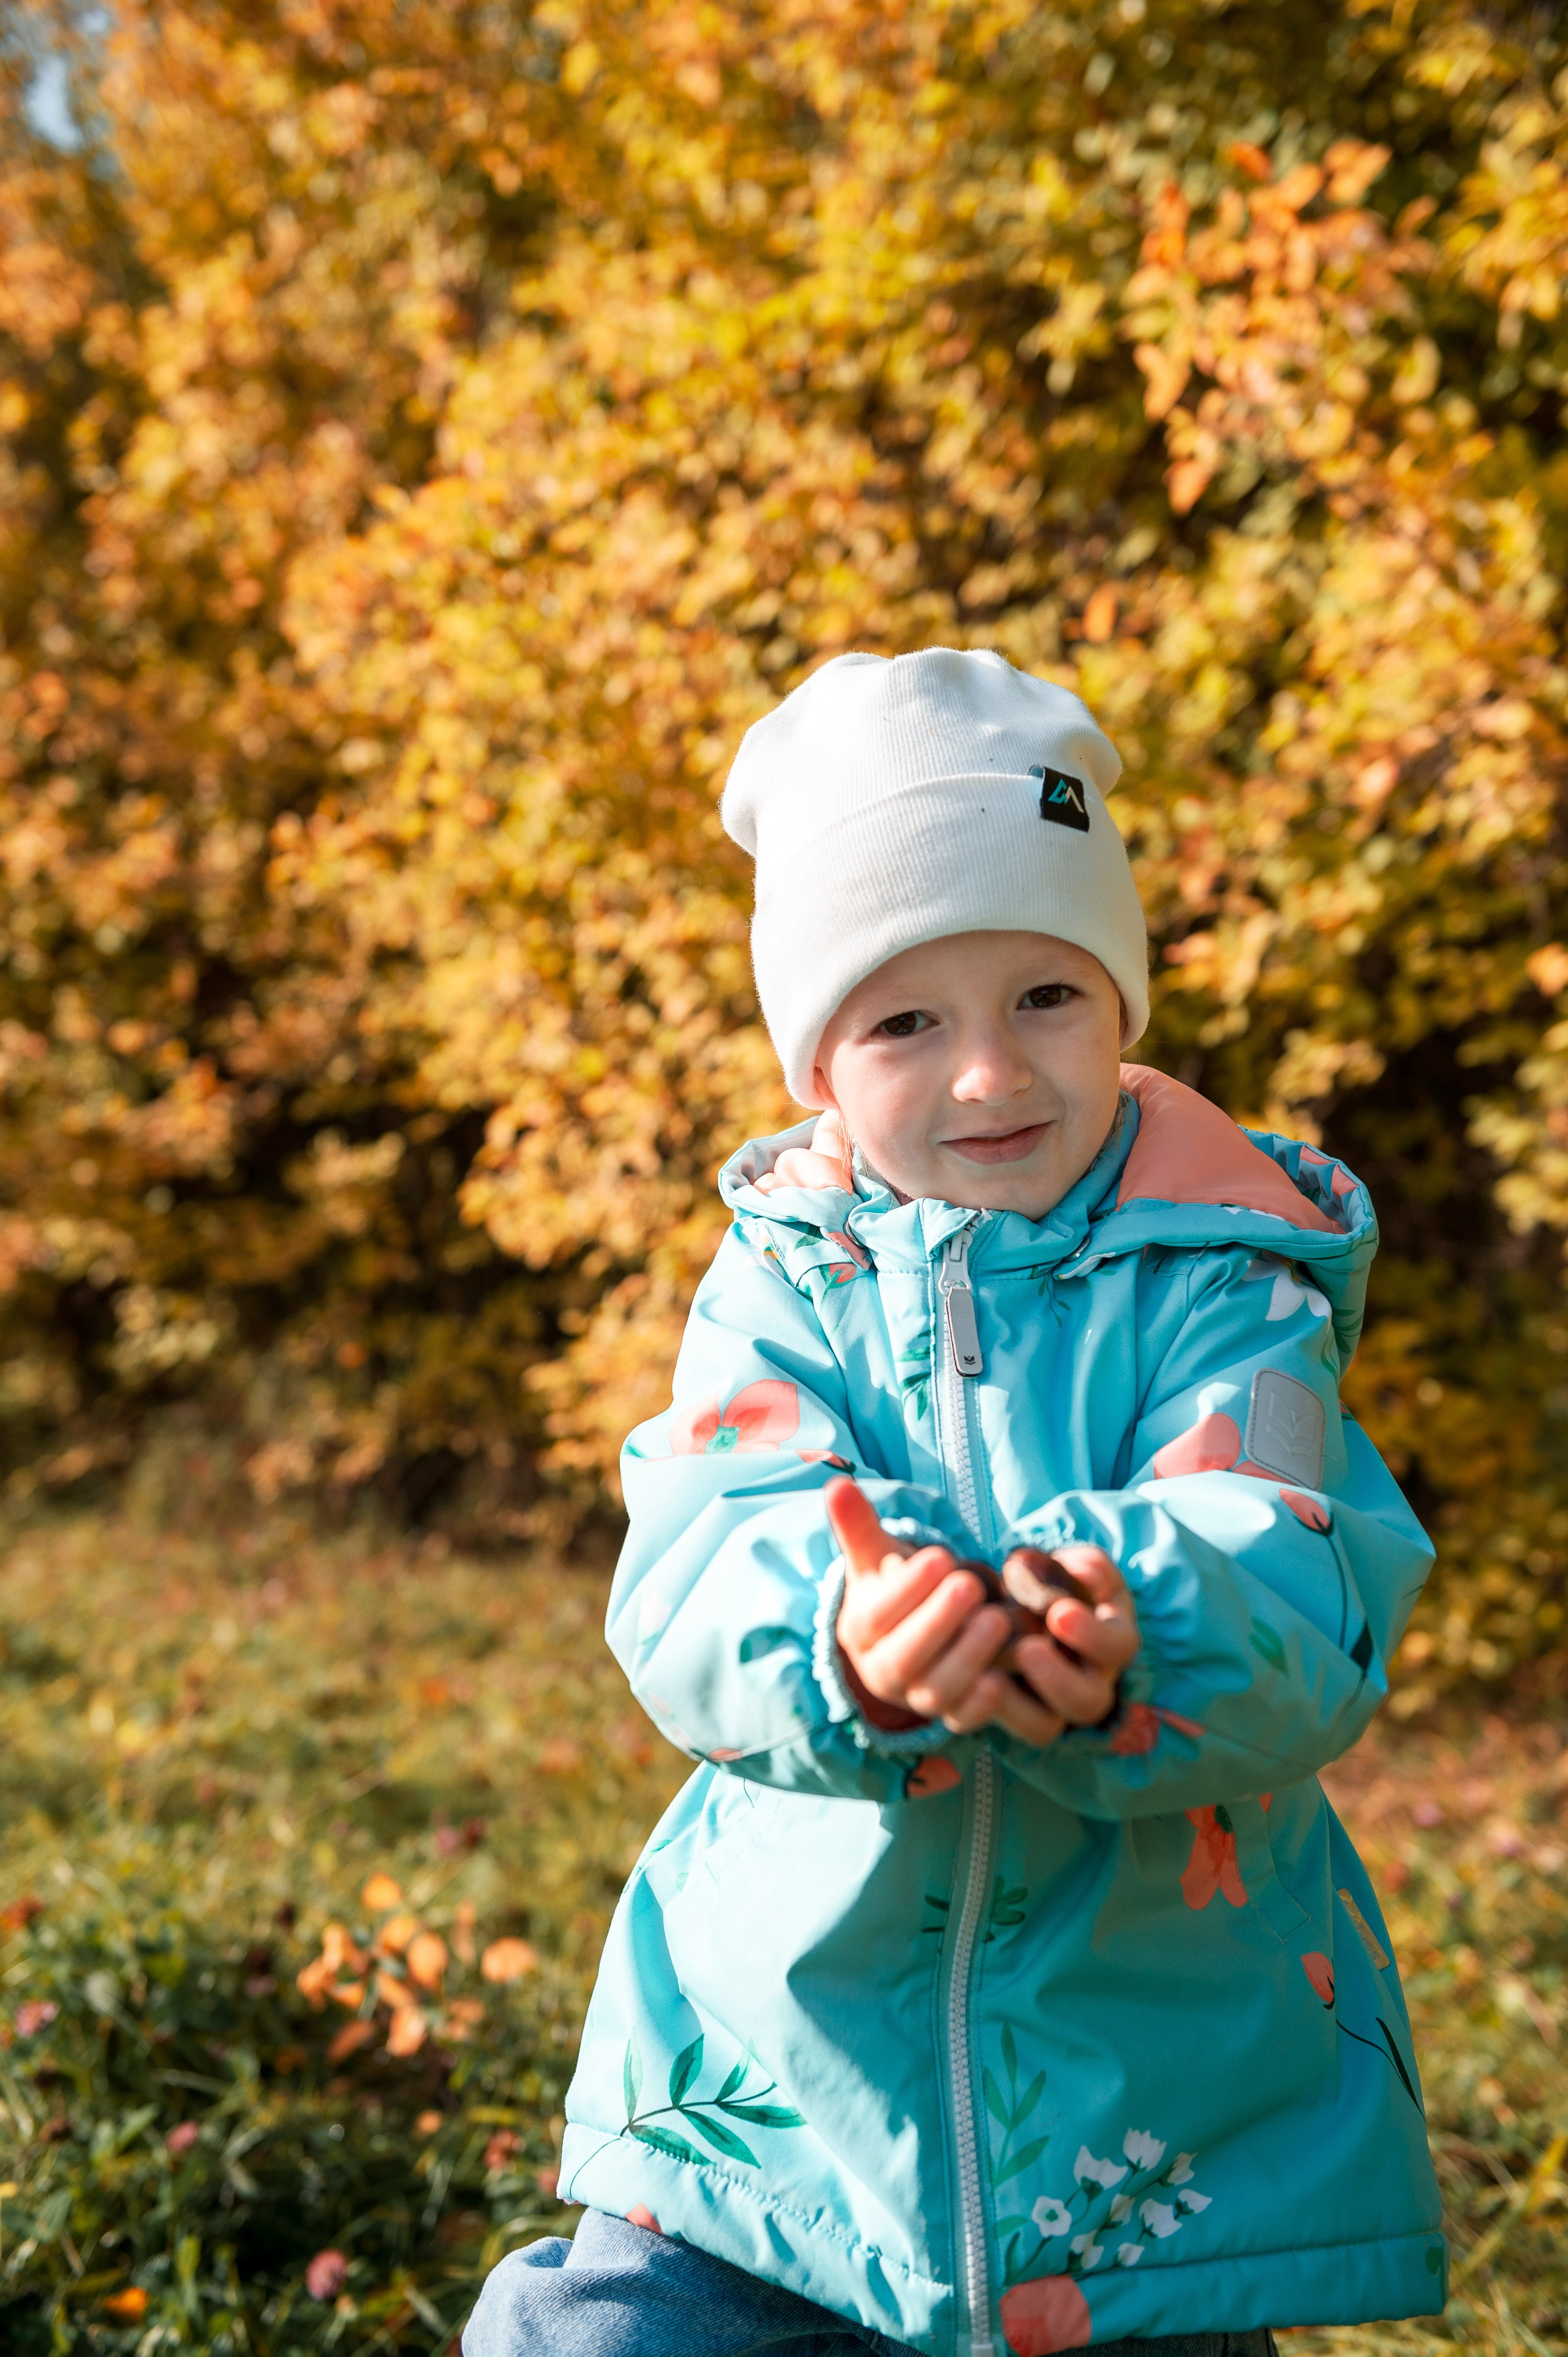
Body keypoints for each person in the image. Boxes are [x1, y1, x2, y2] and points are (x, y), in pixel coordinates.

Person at [462, 649, 1446, 2357]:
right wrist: (842, 1628)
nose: (990, 1075)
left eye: (1045, 998)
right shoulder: (780, 1281)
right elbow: (701, 1550)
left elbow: (1297, 1567)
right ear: (818, 1070)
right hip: (774, 2091)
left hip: (1158, 2124)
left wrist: (1128, 1619)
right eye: (909, 1020)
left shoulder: (1237, 1278)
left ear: (1121, 1003)